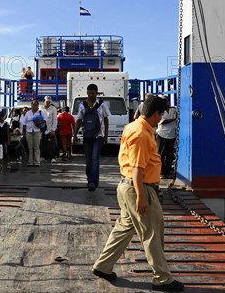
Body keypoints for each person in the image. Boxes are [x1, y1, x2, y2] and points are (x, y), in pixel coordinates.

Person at [92, 95, 184, 292]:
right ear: (156, 113)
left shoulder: (132, 126)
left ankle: (103, 266)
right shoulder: (142, 133)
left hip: (127, 187)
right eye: (161, 115)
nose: (161, 119)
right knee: (152, 232)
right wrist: (142, 196)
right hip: (139, 188)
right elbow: (137, 168)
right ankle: (162, 278)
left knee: (124, 228)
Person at [73, 83, 111, 191]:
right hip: (87, 135)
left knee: (95, 158)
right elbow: (79, 120)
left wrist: (106, 135)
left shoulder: (102, 104)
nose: (91, 95)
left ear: (96, 93)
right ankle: (89, 177)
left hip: (98, 136)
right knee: (88, 160)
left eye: (93, 93)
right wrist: (75, 134)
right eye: (89, 93)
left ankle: (93, 182)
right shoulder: (82, 105)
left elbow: (106, 119)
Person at [155, 97, 178, 178]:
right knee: (161, 154)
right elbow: (163, 122)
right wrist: (174, 119)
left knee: (170, 154)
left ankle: (167, 171)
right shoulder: (159, 111)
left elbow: (178, 116)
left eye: (166, 101)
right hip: (162, 134)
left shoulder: (173, 109)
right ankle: (162, 171)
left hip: (172, 135)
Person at [20, 100, 43, 167]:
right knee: (30, 147)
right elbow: (24, 123)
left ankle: (36, 162)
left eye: (35, 105)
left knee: (36, 147)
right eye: (33, 104)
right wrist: (24, 132)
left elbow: (45, 120)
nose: (34, 106)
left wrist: (40, 122)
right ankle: (30, 162)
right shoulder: (28, 113)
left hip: (37, 131)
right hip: (29, 132)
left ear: (38, 106)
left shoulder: (40, 113)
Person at [41, 96, 58, 164]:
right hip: (43, 129)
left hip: (50, 129)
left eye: (49, 102)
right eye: (46, 102)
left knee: (52, 145)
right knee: (43, 144)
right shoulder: (41, 109)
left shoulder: (53, 108)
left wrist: (53, 129)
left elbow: (55, 120)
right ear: (44, 101)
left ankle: (52, 158)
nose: (47, 103)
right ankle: (44, 157)